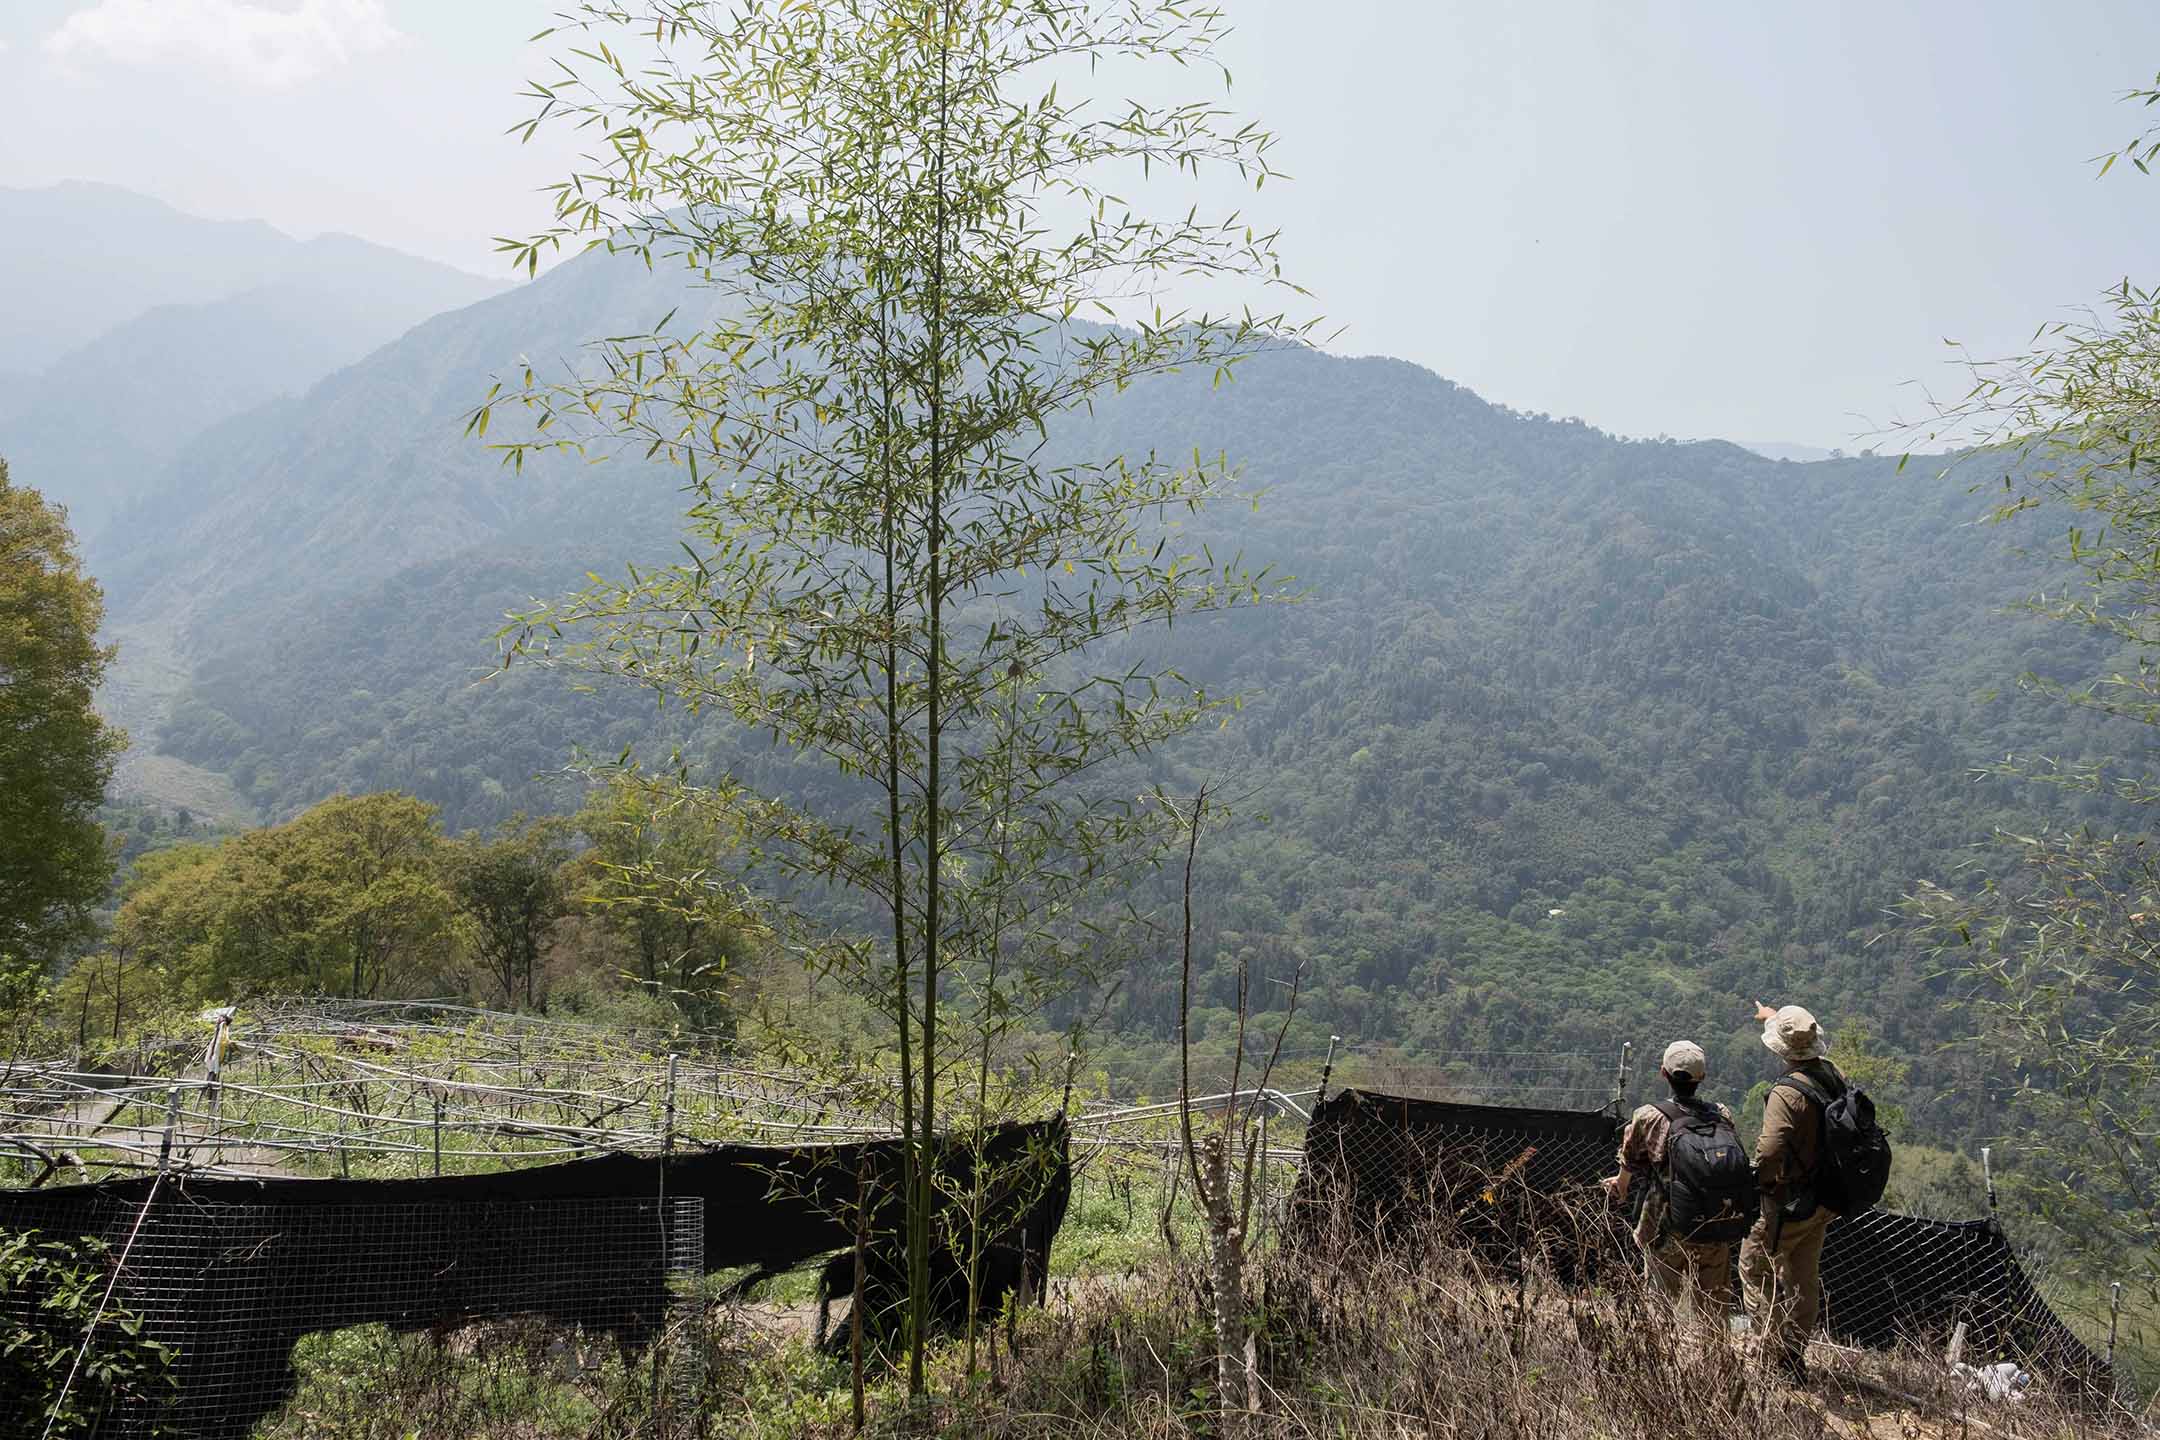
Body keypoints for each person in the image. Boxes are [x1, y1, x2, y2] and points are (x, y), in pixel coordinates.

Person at [1603, 1040, 1747, 1323]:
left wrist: (1620, 1185)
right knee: (1714, 1307)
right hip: (1714, 1220)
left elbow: (1629, 1162)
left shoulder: (1648, 1116)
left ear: (1663, 1073)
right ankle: (1716, 1360)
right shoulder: (1722, 1114)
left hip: (1664, 1225)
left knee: (1659, 1305)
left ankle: (1659, 1359)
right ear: (1701, 1078)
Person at [1740, 1002, 1846, 1383]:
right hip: (1823, 1197)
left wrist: (1761, 1181)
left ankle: (1768, 1354)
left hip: (1788, 1201)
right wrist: (1771, 1016)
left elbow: (1770, 1149)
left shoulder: (1786, 1093)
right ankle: (1792, 1358)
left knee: (1754, 1267)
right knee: (1803, 1276)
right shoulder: (1833, 1075)